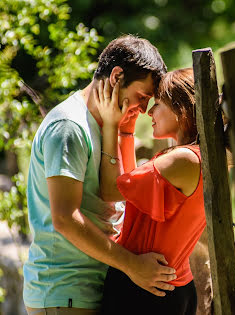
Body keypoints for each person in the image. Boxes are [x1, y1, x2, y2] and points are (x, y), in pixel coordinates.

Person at [23, 35, 177, 315]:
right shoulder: (68, 126)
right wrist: (132, 265)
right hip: (64, 291)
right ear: (117, 76)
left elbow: (124, 194)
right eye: (142, 97)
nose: (144, 110)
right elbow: (64, 218)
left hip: (92, 286)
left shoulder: (109, 122)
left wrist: (125, 132)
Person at [94, 68, 205, 314]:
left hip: (144, 292)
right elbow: (133, 191)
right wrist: (127, 133)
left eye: (158, 103)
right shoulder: (197, 157)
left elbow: (112, 190)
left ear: (180, 109)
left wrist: (111, 126)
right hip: (170, 289)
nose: (149, 111)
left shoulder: (183, 160)